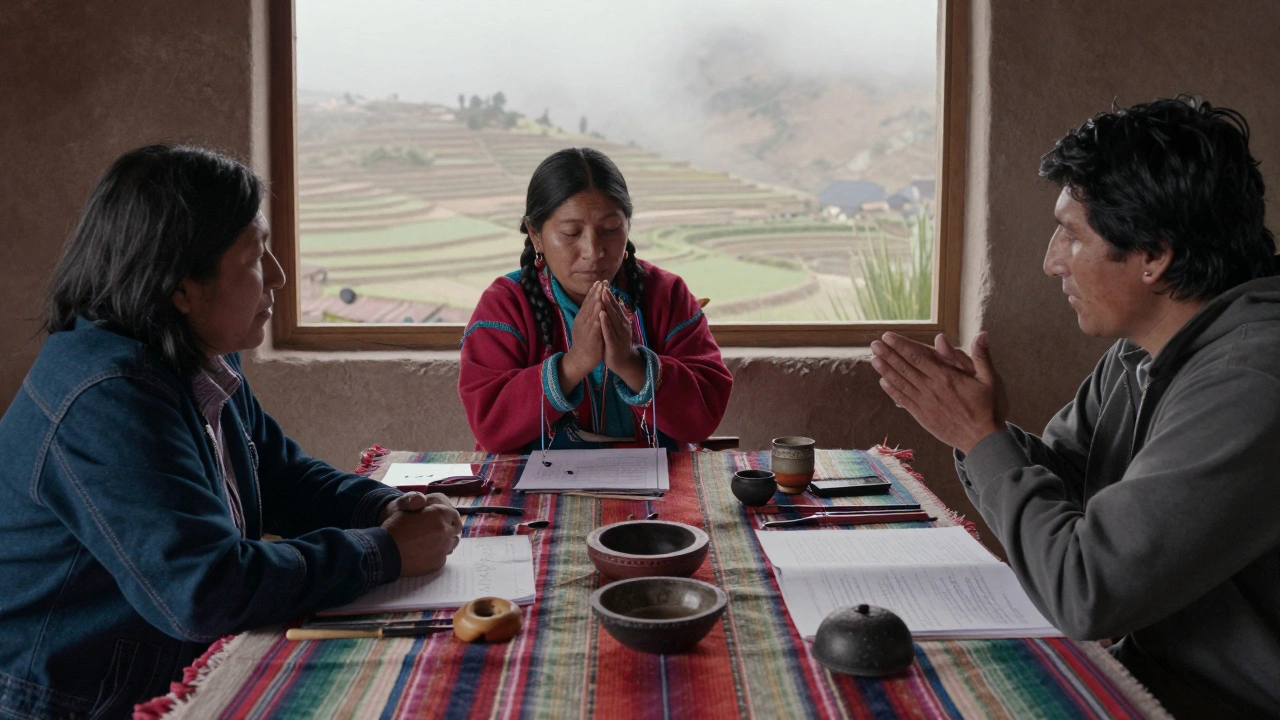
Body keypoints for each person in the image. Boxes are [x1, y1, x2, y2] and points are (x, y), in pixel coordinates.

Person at [0, 145, 463, 719]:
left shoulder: (192, 354)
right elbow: (206, 590)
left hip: (161, 669)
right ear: (180, 286)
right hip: (80, 700)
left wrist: (387, 507)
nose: (279, 275)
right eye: (255, 255)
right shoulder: (107, 398)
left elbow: (282, 477)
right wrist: (383, 554)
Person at [869, 96, 1280, 718]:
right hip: (1149, 674)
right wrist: (977, 425)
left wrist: (982, 437)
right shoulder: (1140, 351)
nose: (1050, 260)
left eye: (1072, 233)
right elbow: (1067, 487)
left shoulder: (1252, 376)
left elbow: (1088, 591)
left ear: (1154, 255)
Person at [458, 148, 732, 453]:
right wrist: (574, 364)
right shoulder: (505, 305)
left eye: (610, 229)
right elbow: (491, 426)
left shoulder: (667, 294)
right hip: (535, 484)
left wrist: (630, 363)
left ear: (628, 226)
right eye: (571, 232)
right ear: (536, 235)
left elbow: (703, 417)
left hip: (657, 479)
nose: (593, 250)